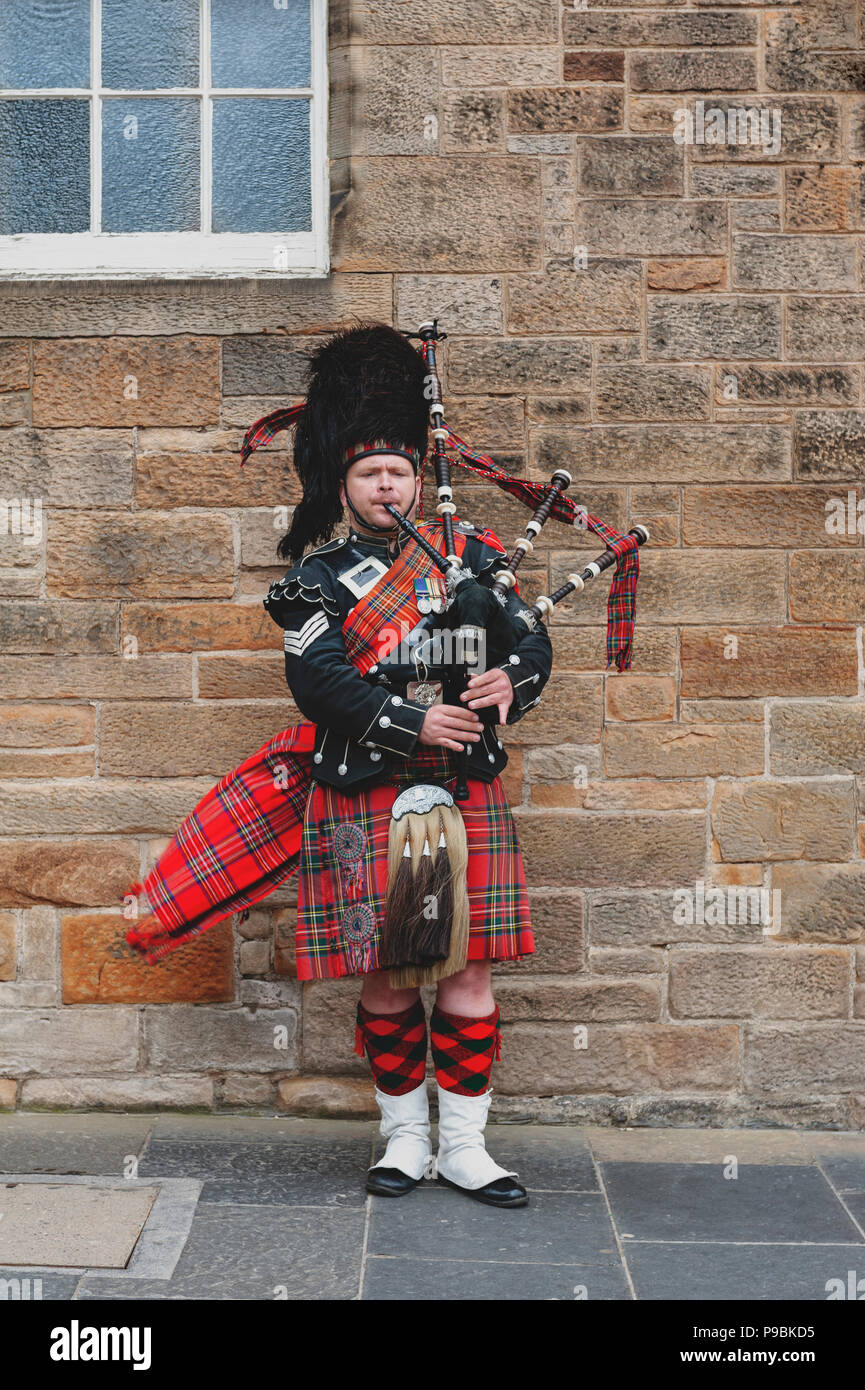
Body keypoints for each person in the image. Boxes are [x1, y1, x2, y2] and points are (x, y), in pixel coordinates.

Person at [263, 322, 553, 1209]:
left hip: (464, 787)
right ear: (342, 487)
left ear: (419, 482)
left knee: (466, 967)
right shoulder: (315, 579)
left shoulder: (470, 557)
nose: (386, 484)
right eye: (367, 474)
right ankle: (402, 1139)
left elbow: (531, 643)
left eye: (398, 472)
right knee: (387, 969)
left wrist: (517, 677)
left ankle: (465, 1147)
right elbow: (316, 683)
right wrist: (412, 718)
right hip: (364, 787)